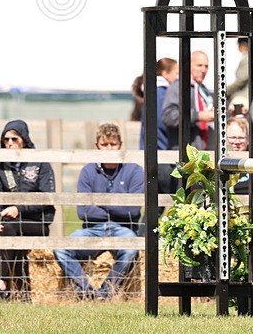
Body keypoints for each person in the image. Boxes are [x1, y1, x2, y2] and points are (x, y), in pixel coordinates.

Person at [55, 123, 145, 300]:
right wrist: (118, 205)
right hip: (92, 229)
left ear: (121, 144)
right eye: (105, 144)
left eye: (113, 144)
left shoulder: (134, 170)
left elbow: (133, 211)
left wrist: (100, 202)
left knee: (130, 250)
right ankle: (87, 291)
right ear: (97, 145)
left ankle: (104, 293)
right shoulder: (88, 171)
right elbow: (83, 212)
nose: (109, 149)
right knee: (61, 249)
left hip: (123, 229)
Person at [0, 120, 56, 301]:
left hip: (37, 222)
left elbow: (47, 198)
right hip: (9, 222)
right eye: (5, 139)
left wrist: (20, 208)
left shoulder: (40, 163)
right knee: (6, 230)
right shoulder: (0, 166)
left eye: (14, 139)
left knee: (9, 228)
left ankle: (2, 282)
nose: (9, 143)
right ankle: (23, 295)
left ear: (24, 140)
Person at [140, 57, 179, 196]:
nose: (178, 77)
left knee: (157, 206)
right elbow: (164, 123)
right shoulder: (162, 94)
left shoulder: (151, 93)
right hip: (161, 155)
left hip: (153, 153)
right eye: (176, 73)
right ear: (165, 73)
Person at [162, 50, 215, 149]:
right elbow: (168, 116)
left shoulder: (204, 90)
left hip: (205, 152)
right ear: (189, 65)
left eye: (206, 66)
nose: (203, 70)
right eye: (199, 65)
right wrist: (198, 115)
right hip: (185, 153)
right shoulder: (178, 86)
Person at [226, 38, 251, 115]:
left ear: (243, 45)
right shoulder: (246, 57)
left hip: (242, 97)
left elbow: (241, 80)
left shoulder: (247, 58)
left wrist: (225, 91)